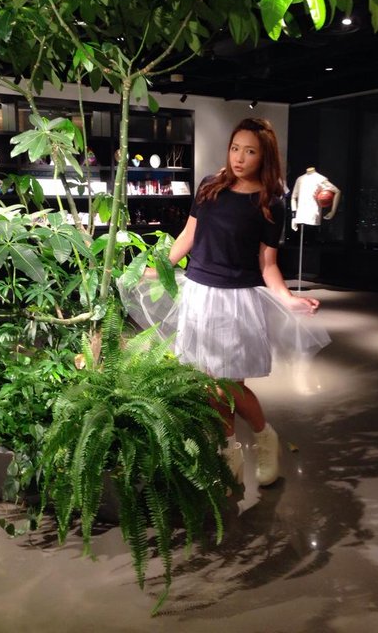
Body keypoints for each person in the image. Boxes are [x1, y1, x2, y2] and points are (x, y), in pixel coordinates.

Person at [124, 118, 329, 488]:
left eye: (250, 151)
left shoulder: (271, 202)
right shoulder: (210, 185)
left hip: (237, 300)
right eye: (236, 148)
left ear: (264, 156)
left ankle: (265, 437)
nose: (239, 157)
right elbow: (188, 235)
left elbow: (267, 263)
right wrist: (156, 269)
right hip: (199, 293)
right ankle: (228, 456)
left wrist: (287, 298)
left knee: (229, 386)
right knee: (209, 387)